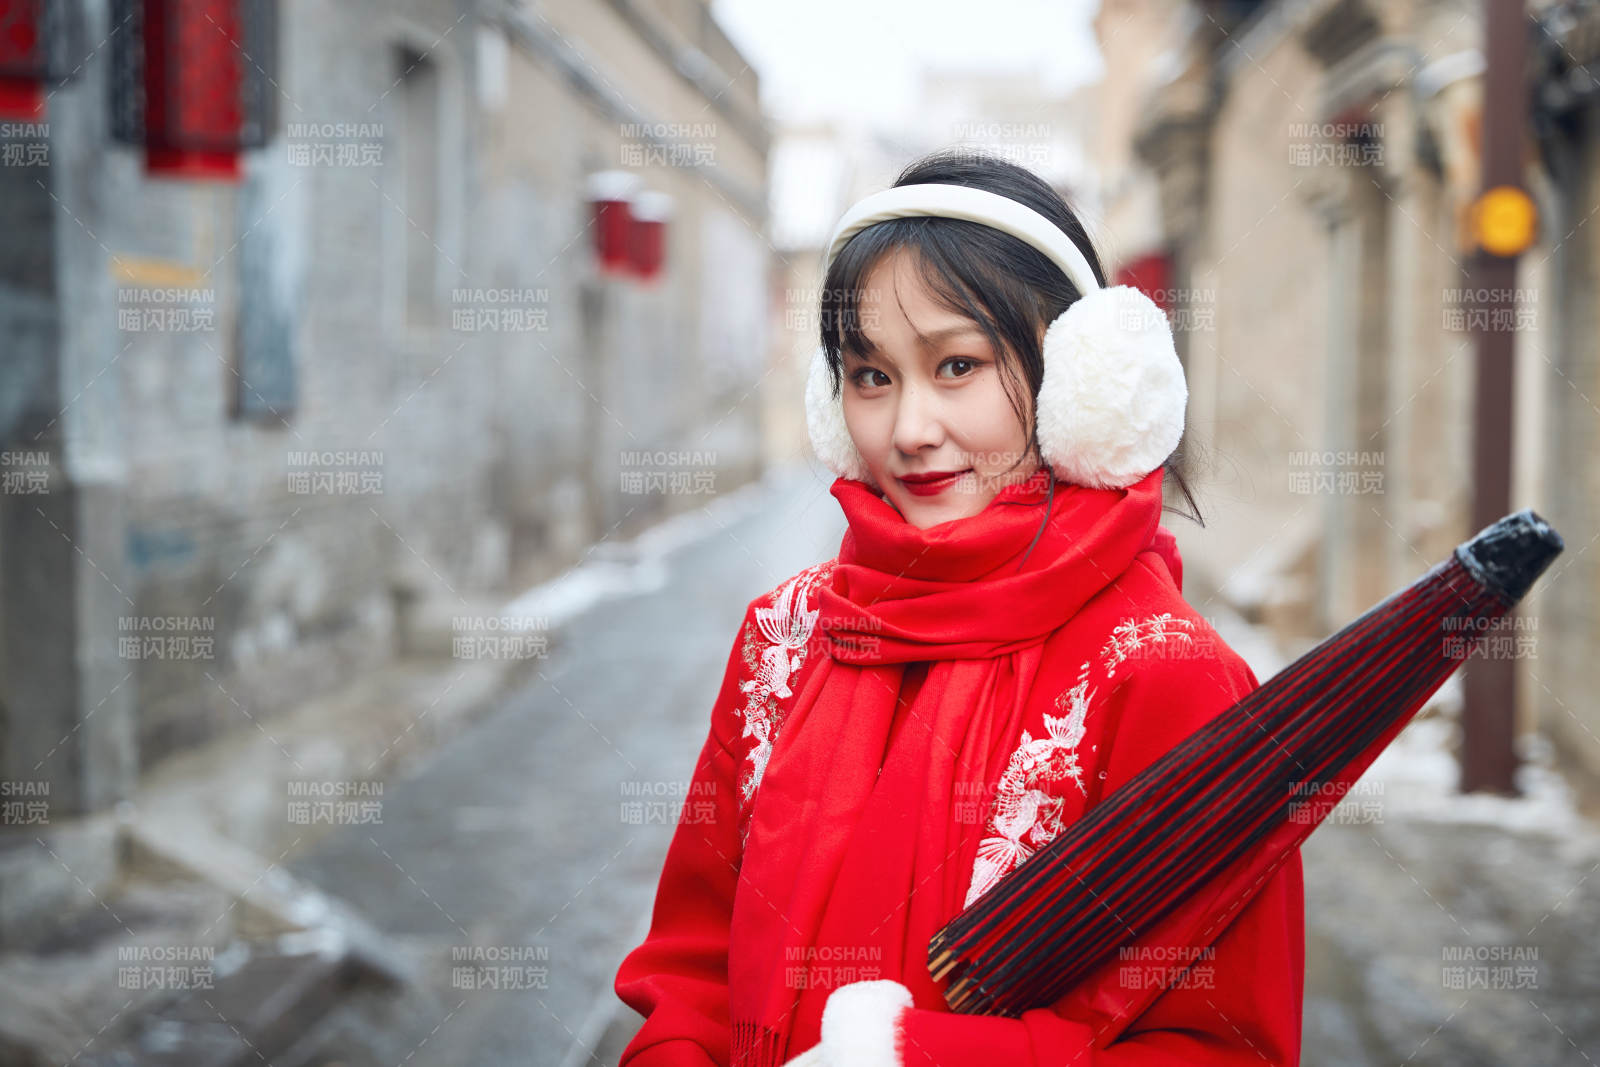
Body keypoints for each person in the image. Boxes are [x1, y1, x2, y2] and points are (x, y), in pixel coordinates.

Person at [613, 149, 1305, 1067]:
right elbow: (690, 972)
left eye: (956, 365)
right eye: (870, 376)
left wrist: (919, 1056)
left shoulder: (1167, 676)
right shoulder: (784, 639)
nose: (907, 430)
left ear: (1077, 385)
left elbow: (1219, 1048)